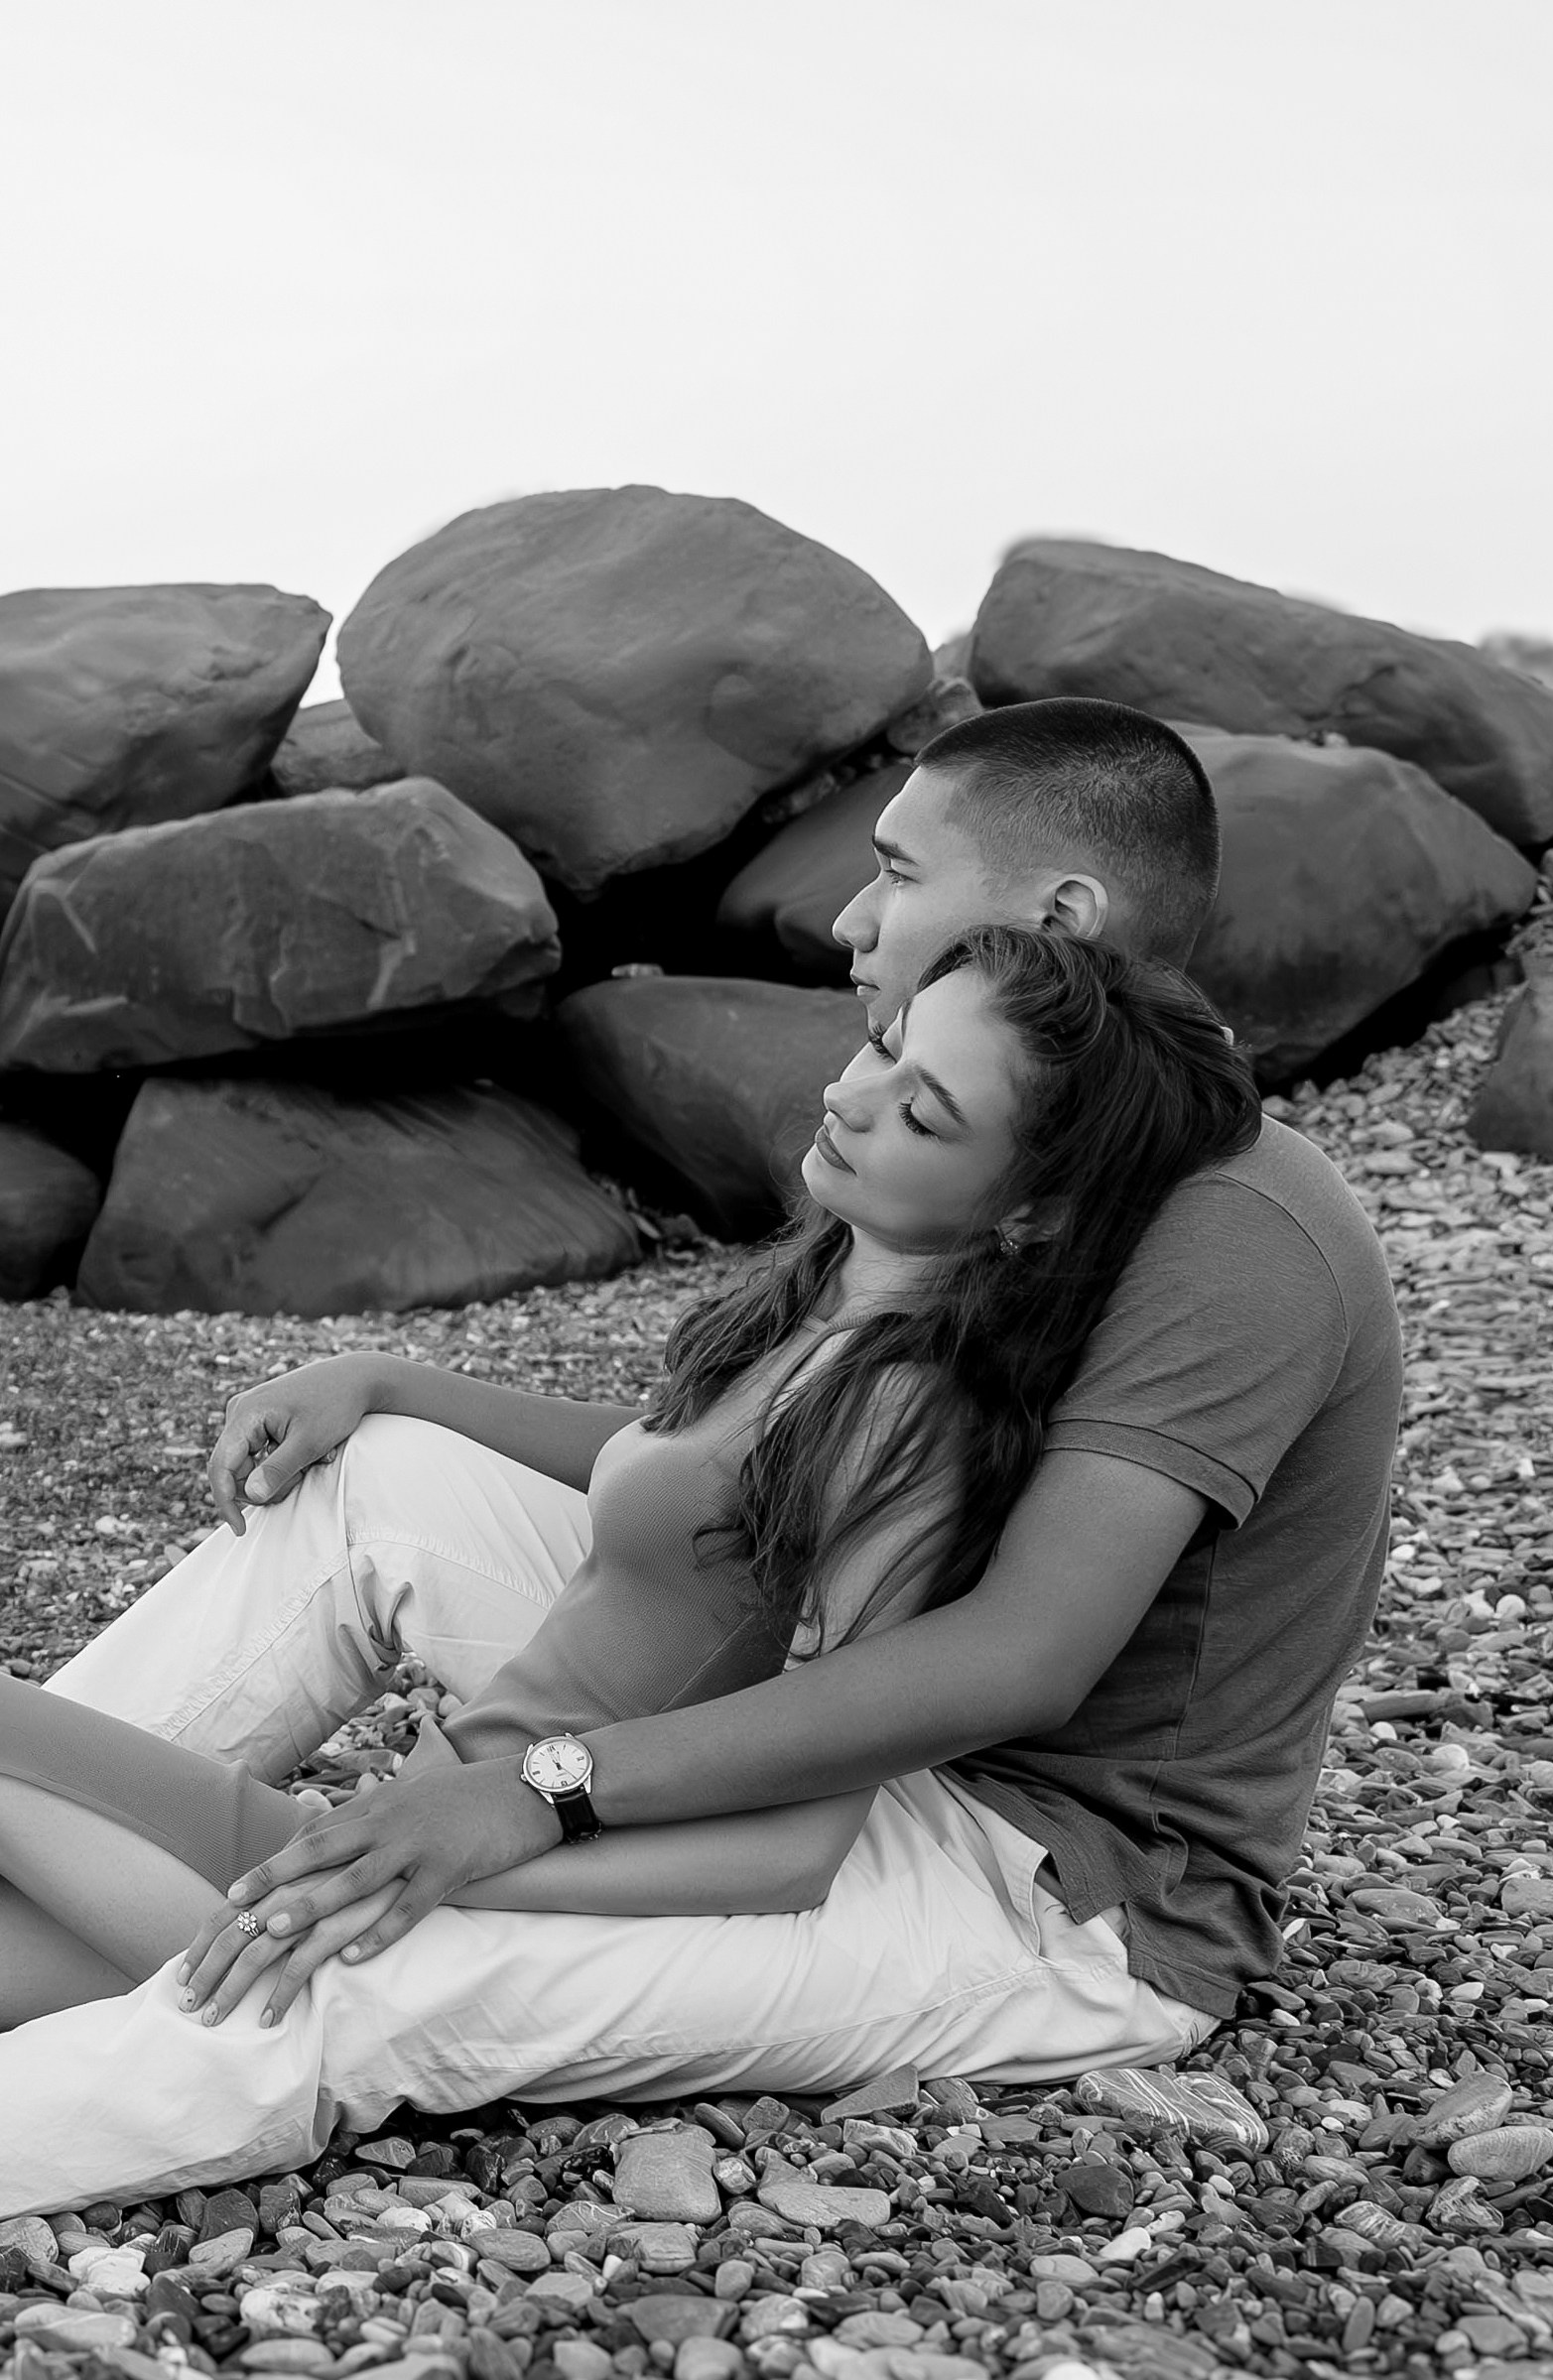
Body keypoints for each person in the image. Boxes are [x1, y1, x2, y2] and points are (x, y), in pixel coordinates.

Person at [7, 697, 1401, 2212]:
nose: (852, 922)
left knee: (350, 1974)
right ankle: (74, 1850)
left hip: (1046, 1869)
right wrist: (399, 1383)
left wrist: (538, 1791)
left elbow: (1016, 1659)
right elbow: (738, 1472)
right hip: (825, 1700)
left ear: (1059, 917)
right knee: (372, 1484)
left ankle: (133, 1963)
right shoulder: (969, 1127)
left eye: (898, 872)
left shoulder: (1225, 1223)